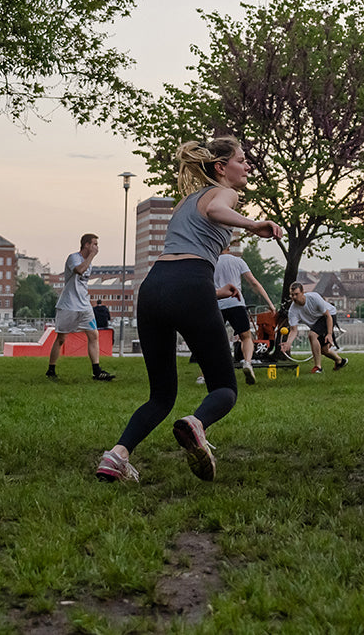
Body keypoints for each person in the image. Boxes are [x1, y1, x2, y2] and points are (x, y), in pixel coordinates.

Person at [96, 137, 282, 483]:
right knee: (224, 388)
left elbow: (182, 257)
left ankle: (116, 456)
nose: (247, 167)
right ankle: (196, 424)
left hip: (154, 288)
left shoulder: (184, 202)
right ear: (220, 167)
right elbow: (215, 213)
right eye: (242, 160)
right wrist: (253, 224)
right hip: (191, 283)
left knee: (161, 395)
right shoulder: (224, 193)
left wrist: (211, 292)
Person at [44, 235, 113, 382]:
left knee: (94, 335)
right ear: (86, 245)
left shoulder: (89, 262)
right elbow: (80, 270)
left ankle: (97, 371)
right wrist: (92, 256)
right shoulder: (73, 258)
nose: (96, 247)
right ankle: (51, 370)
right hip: (69, 305)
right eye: (94, 244)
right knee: (61, 338)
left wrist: (91, 258)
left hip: (84, 305)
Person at [216, 236, 276, 384]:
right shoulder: (238, 261)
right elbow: (254, 283)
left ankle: (205, 375)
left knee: (213, 340)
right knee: (246, 337)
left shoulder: (211, 262)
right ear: (228, 248)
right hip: (236, 303)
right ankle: (247, 362)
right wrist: (270, 303)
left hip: (216, 304)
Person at [288, 282, 347, 374]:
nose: (294, 297)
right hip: (317, 321)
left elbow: (328, 316)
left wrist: (329, 334)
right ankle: (340, 361)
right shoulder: (292, 310)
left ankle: (318, 368)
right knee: (324, 350)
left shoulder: (314, 298)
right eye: (292, 295)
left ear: (303, 292)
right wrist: (288, 343)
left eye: (296, 294)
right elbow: (293, 330)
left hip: (329, 316)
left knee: (312, 335)